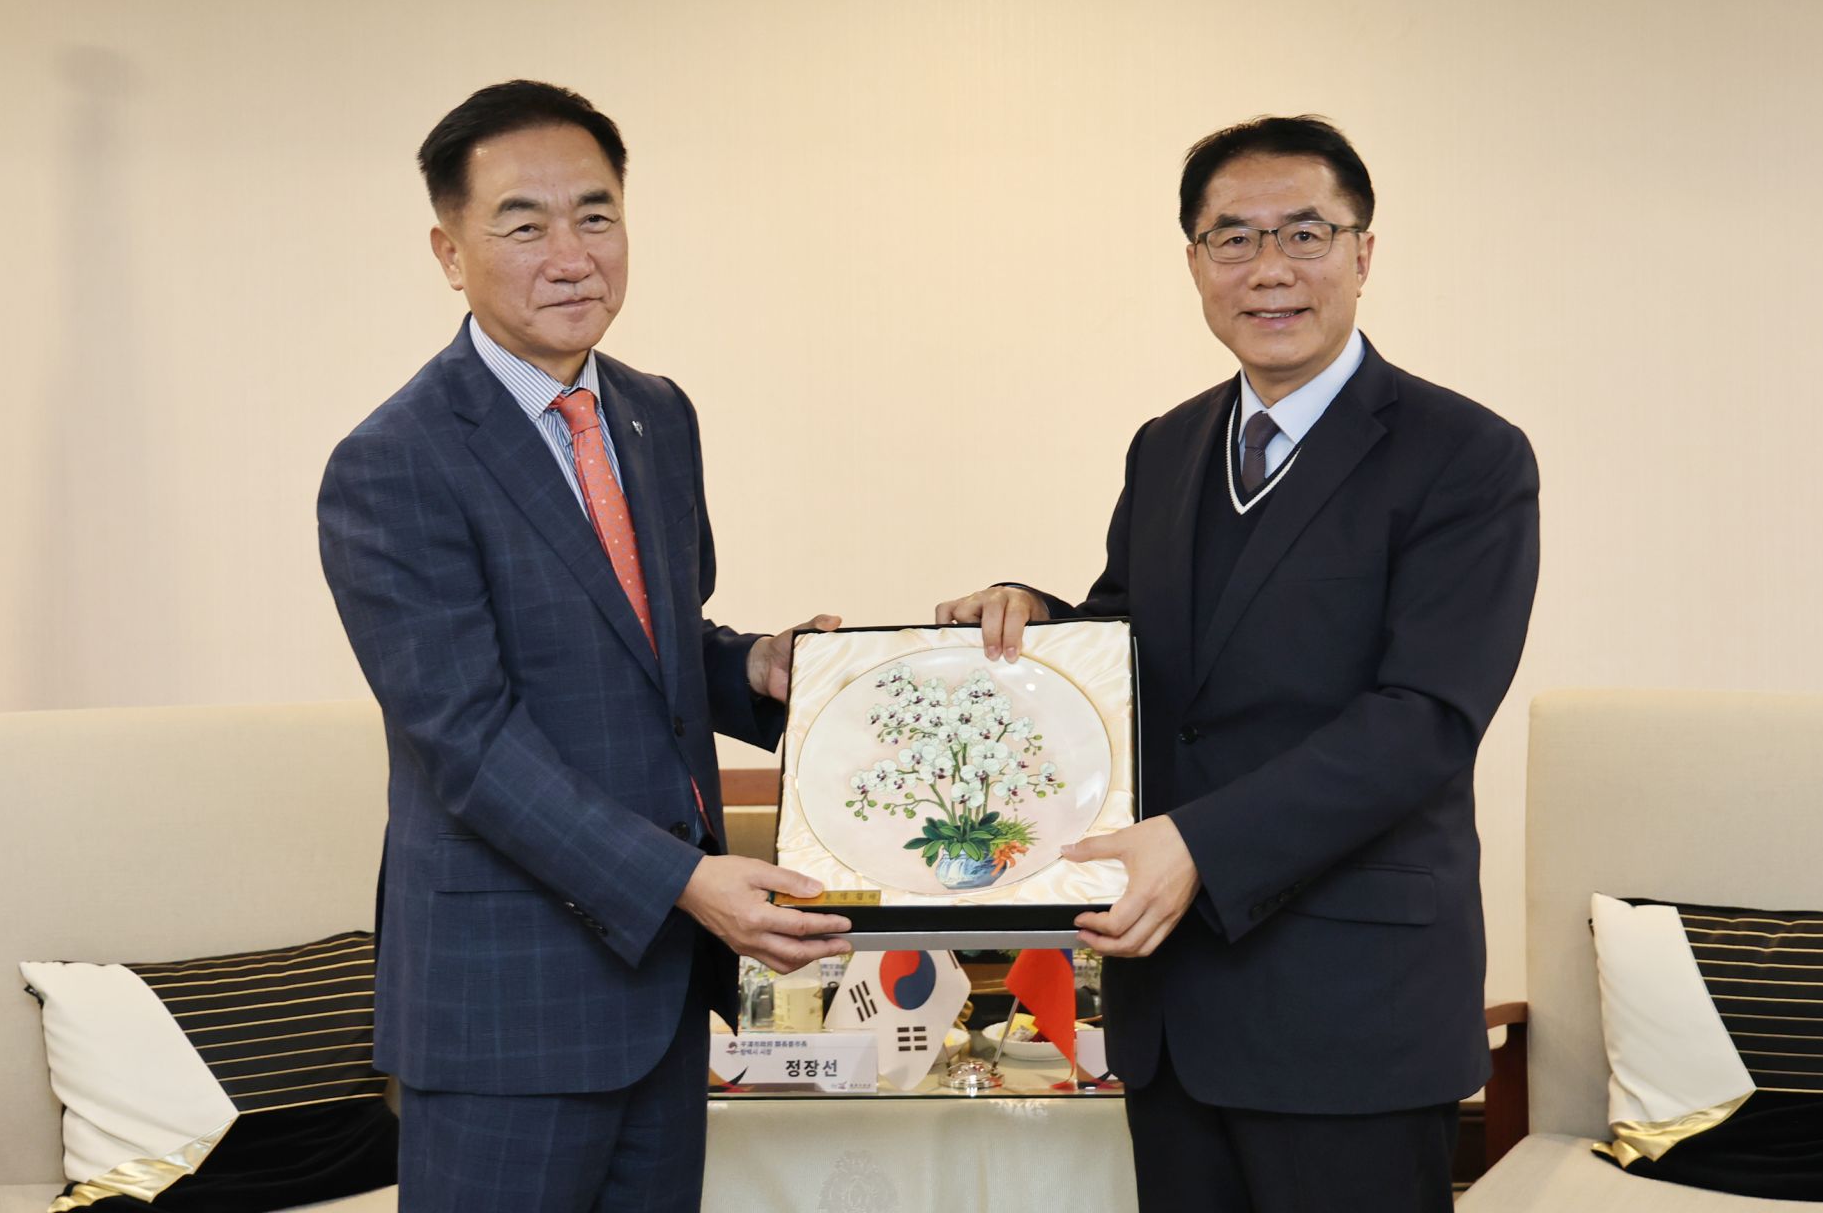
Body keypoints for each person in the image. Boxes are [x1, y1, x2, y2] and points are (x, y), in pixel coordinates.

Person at [936, 116, 1539, 1211]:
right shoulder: (1167, 445)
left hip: (1355, 1006)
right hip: (1176, 1004)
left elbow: (1424, 719)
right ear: (1195, 263)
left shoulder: (1467, 455)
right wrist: (1038, 621)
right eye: (1234, 238)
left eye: (1305, 233)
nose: (1269, 268)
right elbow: (1141, 654)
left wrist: (1199, 847)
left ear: (1364, 252)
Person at [317, 79, 851, 1212]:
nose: (572, 256)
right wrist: (688, 882)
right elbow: (468, 741)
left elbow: (649, 641)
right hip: (504, 1003)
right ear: (450, 252)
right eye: (524, 225)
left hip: (660, 988)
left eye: (595, 215)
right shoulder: (395, 459)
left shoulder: (657, 415)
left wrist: (754, 669)